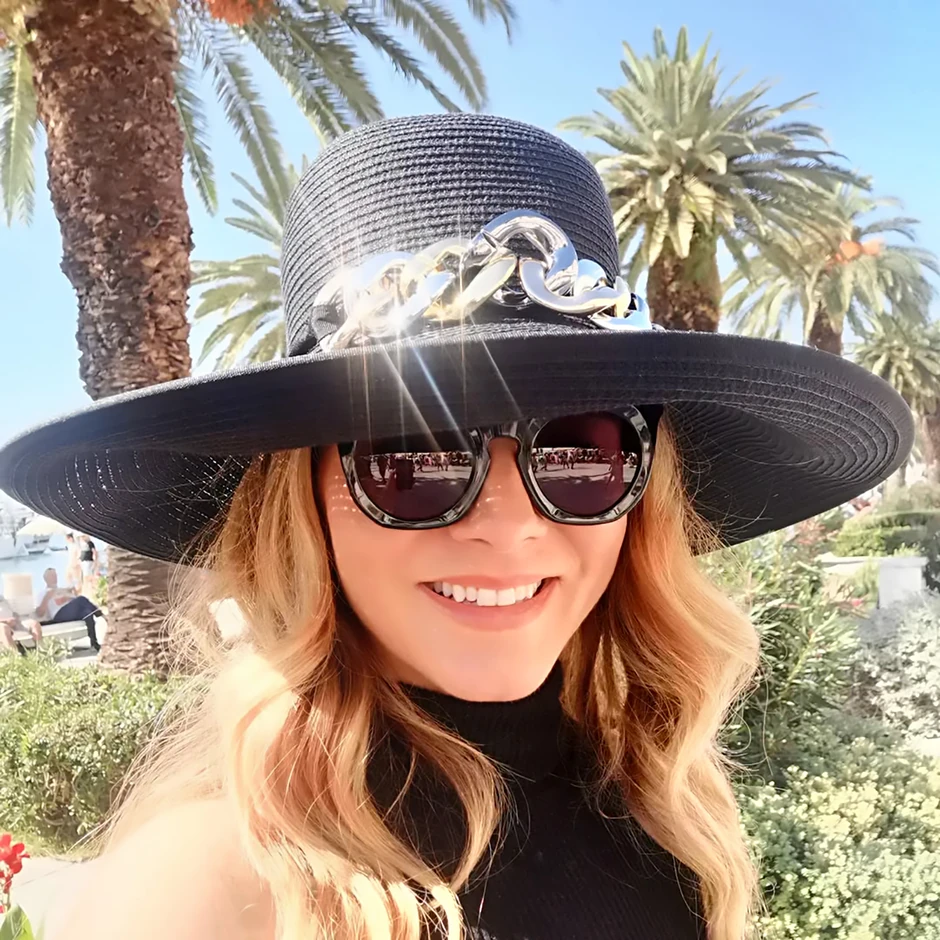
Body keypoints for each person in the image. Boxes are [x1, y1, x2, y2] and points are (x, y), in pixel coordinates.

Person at [0, 115, 913, 940]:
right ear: (300, 504)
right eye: (415, 457)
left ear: (644, 495)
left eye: (579, 454)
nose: (508, 527)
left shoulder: (664, 796)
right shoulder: (210, 883)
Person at [34, 567, 101, 651]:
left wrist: (69, 596)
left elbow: (77, 603)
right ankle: (99, 613)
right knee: (81, 599)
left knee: (87, 613)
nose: (55, 577)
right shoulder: (43, 593)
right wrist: (47, 597)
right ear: (46, 579)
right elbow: (39, 613)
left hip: (70, 612)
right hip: (58, 615)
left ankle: (94, 644)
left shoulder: (62, 590)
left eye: (55, 575)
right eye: (51, 576)